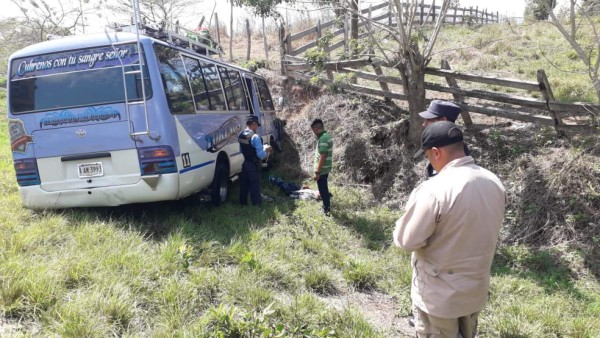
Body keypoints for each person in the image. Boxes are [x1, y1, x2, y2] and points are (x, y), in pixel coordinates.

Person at [393, 121, 506, 338]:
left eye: (427, 156)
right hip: (474, 291)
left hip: (440, 297)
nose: (430, 162)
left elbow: (407, 241)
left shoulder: (435, 189)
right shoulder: (493, 182)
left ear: (435, 152)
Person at [416, 100, 471, 177]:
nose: (424, 124)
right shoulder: (452, 146)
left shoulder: (456, 153)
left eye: (428, 119)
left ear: (443, 120)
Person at [239, 115, 271, 206]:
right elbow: (260, 155)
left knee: (244, 184)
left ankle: (243, 204)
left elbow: (241, 150)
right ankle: (257, 206)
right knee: (255, 185)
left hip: (245, 163)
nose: (257, 127)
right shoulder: (255, 136)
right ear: (253, 124)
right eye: (257, 125)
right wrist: (266, 150)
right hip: (254, 164)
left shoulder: (241, 135)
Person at [311, 119, 333, 216]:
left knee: (322, 189)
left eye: (313, 131)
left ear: (316, 129)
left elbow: (323, 156)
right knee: (324, 188)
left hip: (322, 169)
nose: (314, 133)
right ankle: (326, 205)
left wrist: (317, 172)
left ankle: (326, 209)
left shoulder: (323, 139)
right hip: (326, 168)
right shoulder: (327, 136)